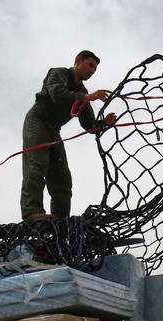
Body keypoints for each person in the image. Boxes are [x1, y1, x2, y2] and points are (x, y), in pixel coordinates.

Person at [20, 50, 117, 222]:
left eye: (95, 69)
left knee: (62, 178)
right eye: (90, 66)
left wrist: (104, 124)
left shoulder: (83, 92)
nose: (92, 71)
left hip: (53, 130)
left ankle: (60, 222)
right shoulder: (58, 73)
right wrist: (88, 97)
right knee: (37, 166)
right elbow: (56, 94)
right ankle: (31, 212)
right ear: (78, 61)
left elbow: (89, 125)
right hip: (38, 121)